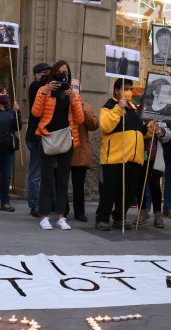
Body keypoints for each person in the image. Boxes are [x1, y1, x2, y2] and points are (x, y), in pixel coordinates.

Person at [32, 60, 84, 230]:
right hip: (48, 138)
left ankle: (61, 216)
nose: (63, 74)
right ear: (54, 73)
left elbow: (80, 119)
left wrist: (72, 99)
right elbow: (35, 112)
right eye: (60, 72)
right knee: (46, 179)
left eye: (66, 72)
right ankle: (44, 216)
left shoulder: (71, 94)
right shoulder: (44, 90)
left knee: (63, 180)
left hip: (66, 139)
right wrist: (45, 92)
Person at [95, 78, 153, 231]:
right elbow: (105, 126)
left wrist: (152, 128)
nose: (128, 92)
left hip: (133, 158)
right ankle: (102, 218)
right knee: (108, 191)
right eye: (125, 88)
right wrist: (118, 109)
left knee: (127, 192)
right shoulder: (108, 107)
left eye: (130, 88)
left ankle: (120, 217)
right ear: (116, 90)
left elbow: (141, 131)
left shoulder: (134, 108)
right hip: (113, 158)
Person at [69, 78, 99, 222]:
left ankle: (79, 212)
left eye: (76, 87)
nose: (74, 89)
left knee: (78, 184)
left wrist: (81, 107)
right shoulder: (63, 103)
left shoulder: (86, 106)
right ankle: (61, 209)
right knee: (60, 182)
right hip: (63, 148)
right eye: (72, 86)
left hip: (79, 150)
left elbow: (94, 125)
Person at [26, 62, 51, 218]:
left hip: (47, 135)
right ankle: (34, 205)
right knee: (35, 174)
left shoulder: (47, 87)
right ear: (37, 74)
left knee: (47, 173)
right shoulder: (35, 87)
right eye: (44, 73)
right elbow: (39, 95)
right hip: (35, 136)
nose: (47, 76)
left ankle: (47, 202)